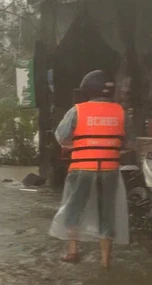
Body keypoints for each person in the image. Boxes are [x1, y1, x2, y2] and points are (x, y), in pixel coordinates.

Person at [49, 70, 131, 269]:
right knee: (107, 214)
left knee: (73, 208)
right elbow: (127, 140)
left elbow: (61, 136)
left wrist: (76, 143)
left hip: (82, 168)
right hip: (110, 170)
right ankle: (105, 261)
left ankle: (73, 251)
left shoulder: (78, 110)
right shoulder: (121, 112)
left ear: (88, 90)